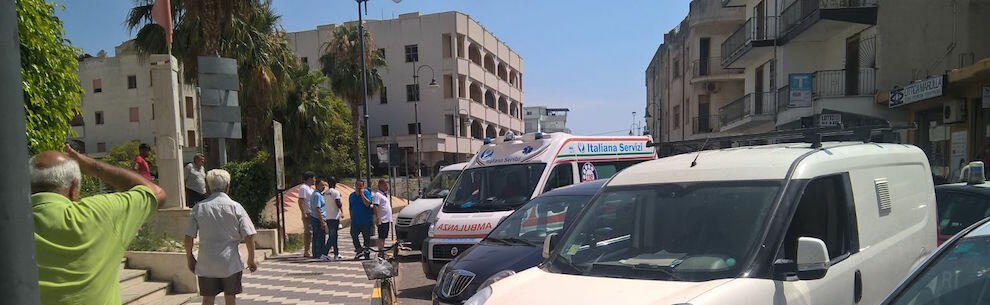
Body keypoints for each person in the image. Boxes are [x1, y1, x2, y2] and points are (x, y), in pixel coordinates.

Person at [31, 144, 166, 305]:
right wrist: (92, 166)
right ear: (74, 187)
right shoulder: (100, 213)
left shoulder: (10, 224)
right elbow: (157, 193)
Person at [184, 169, 258, 305]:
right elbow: (249, 234)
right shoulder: (236, 207)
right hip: (230, 262)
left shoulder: (199, 208)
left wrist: (189, 257)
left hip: (206, 262)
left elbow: (189, 236)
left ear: (208, 187)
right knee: (230, 298)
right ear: (228, 186)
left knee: (207, 299)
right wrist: (251, 259)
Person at [349, 179, 374, 260]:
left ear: (363, 186)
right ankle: (359, 249)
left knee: (366, 239)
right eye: (358, 185)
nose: (359, 187)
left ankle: (366, 254)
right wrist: (351, 217)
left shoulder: (366, 193)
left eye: (361, 186)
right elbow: (350, 208)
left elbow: (368, 204)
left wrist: (362, 194)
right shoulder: (352, 195)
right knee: (353, 234)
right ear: (355, 186)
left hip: (366, 221)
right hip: (355, 221)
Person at [322, 177, 343, 260]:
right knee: (333, 237)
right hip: (334, 216)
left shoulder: (325, 193)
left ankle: (336, 253)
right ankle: (324, 253)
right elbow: (338, 203)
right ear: (335, 183)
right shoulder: (336, 192)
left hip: (328, 216)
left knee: (334, 235)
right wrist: (341, 208)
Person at [298, 171, 317, 258]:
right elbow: (300, 201)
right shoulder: (303, 188)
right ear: (309, 178)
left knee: (313, 232)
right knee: (308, 232)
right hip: (308, 212)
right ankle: (306, 250)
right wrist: (303, 213)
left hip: (313, 213)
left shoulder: (311, 188)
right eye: (313, 178)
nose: (315, 180)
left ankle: (313, 249)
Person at [371, 179, 394, 251]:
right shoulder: (378, 195)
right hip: (382, 219)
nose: (387, 187)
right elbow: (375, 206)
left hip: (386, 219)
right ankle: (380, 250)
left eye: (387, 185)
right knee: (381, 236)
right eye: (385, 185)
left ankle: (382, 249)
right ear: (380, 185)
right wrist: (377, 218)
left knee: (384, 236)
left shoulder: (384, 195)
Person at [310, 179, 329, 261]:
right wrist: (322, 221)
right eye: (322, 185)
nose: (323, 186)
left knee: (316, 236)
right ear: (317, 186)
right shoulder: (317, 195)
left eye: (324, 185)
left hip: (315, 217)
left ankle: (316, 253)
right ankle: (320, 253)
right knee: (320, 236)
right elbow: (317, 208)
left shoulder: (317, 194)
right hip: (318, 218)